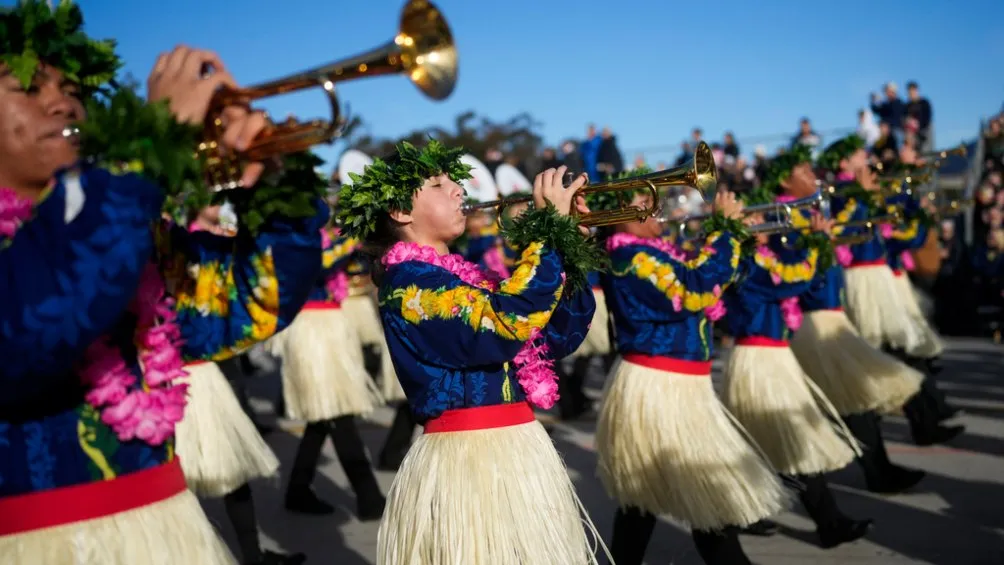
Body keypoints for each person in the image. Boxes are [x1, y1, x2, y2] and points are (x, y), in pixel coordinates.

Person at [0, 3, 327, 563]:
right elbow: (30, 331)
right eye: (27, 86)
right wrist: (147, 154)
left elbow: (256, 302)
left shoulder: (142, 239)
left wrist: (274, 182)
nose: (62, 100)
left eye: (71, 86)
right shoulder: (122, 212)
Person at [337, 141, 608, 564]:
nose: (460, 190)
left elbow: (557, 336)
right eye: (439, 184)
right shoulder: (409, 283)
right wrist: (548, 231)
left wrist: (568, 247)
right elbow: (503, 326)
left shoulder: (471, 277)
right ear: (400, 211)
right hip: (468, 463)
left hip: (518, 447)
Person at [593, 178, 787, 565]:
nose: (656, 209)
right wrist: (724, 232)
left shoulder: (653, 252)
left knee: (646, 501)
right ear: (616, 217)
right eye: (643, 203)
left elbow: (715, 278)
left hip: (678, 382)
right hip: (660, 385)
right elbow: (695, 289)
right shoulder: (632, 258)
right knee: (699, 498)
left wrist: (736, 241)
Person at [720, 147, 871, 549]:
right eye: (751, 218)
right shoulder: (748, 262)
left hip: (770, 353)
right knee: (793, 439)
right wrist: (818, 242)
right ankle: (829, 523)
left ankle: (742, 512)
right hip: (759, 358)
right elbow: (792, 280)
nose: (761, 221)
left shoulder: (757, 256)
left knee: (763, 442)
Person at [174, 206, 303, 565]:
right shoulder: (167, 243)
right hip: (163, 380)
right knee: (175, 486)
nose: (220, 202)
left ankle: (252, 555)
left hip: (206, 372)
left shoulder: (220, 245)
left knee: (231, 472)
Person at [821, 136, 963, 447]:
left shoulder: (864, 186)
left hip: (879, 273)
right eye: (858, 154)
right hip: (864, 276)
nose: (865, 156)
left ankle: (925, 418)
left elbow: (895, 219)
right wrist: (864, 196)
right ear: (844, 164)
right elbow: (847, 230)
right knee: (891, 350)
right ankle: (922, 419)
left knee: (896, 349)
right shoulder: (842, 190)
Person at [266, 219, 386, 521]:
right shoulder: (290, 237)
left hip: (327, 324)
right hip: (313, 328)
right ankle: (369, 497)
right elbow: (320, 264)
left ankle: (298, 488)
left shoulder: (308, 234)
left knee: (325, 416)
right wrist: (353, 237)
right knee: (337, 412)